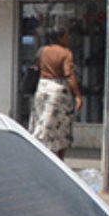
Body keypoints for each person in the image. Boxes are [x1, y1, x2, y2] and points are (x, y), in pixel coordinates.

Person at [29, 27, 81, 158]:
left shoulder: (43, 51)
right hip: (58, 91)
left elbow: (36, 66)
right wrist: (78, 95)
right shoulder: (65, 53)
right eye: (66, 35)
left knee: (41, 122)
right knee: (61, 127)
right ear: (60, 37)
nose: (68, 38)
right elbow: (69, 74)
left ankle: (39, 153)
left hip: (42, 88)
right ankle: (57, 159)